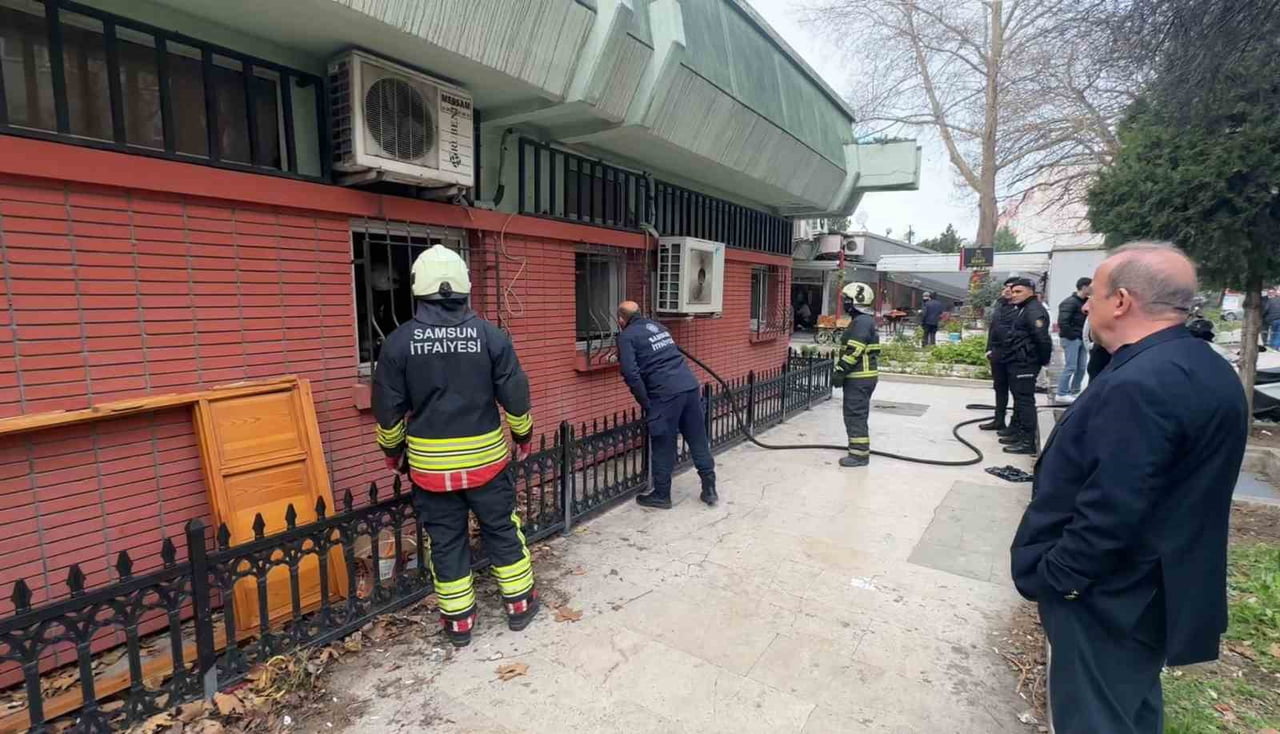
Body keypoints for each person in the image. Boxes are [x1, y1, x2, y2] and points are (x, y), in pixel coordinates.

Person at [1011, 242, 1248, 733]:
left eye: (1093, 295)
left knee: (1096, 718)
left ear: (1120, 301)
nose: (1087, 305)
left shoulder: (1143, 383)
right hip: (1154, 590)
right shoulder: (1201, 366)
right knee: (1129, 714)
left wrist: (1060, 580)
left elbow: (1115, 505)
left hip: (1110, 598)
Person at [373, 245, 539, 648]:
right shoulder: (490, 336)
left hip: (430, 471)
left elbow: (387, 412)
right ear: (464, 286)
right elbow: (515, 396)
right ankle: (519, 606)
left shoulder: (398, 343)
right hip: (487, 466)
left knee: (444, 541)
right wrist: (523, 437)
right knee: (502, 529)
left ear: (418, 288)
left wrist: (394, 455)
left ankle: (459, 625)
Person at [616, 301, 717, 510]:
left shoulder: (626, 336)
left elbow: (630, 374)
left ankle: (661, 495)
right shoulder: (659, 327)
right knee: (698, 438)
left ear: (620, 320)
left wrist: (646, 402)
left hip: (665, 394)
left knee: (663, 443)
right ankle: (709, 488)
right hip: (689, 387)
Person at [999, 278, 1053, 455]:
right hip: (1018, 361)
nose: (1014, 295)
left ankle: (1027, 441)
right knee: (1019, 398)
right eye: (1013, 292)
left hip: (1026, 363)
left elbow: (1042, 339)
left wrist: (1041, 361)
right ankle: (1017, 432)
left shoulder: (1034, 310)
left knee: (1024, 400)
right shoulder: (1024, 309)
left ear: (1031, 291)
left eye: (1018, 292)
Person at [832, 282, 880, 467]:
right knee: (856, 414)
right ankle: (858, 451)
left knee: (855, 415)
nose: (844, 303)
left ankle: (859, 456)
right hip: (862, 377)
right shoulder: (863, 321)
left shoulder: (861, 322)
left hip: (859, 378)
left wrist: (840, 371)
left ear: (855, 301)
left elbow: (854, 350)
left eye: (846, 299)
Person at [980, 277, 1023, 432]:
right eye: (1006, 287)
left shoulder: (1022, 309)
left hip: (1013, 355)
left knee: (1017, 390)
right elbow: (993, 328)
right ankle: (999, 420)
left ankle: (1016, 424)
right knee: (1000, 387)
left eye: (1012, 288)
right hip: (997, 353)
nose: (1007, 290)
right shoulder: (1000, 305)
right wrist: (989, 348)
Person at [1055, 277, 1093, 402]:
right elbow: (1063, 322)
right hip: (1072, 339)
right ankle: (1061, 392)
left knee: (1082, 367)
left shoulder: (1087, 302)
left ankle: (1074, 391)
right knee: (1071, 366)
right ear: (1083, 287)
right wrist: (1073, 335)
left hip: (1082, 338)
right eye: (1090, 286)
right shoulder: (1069, 302)